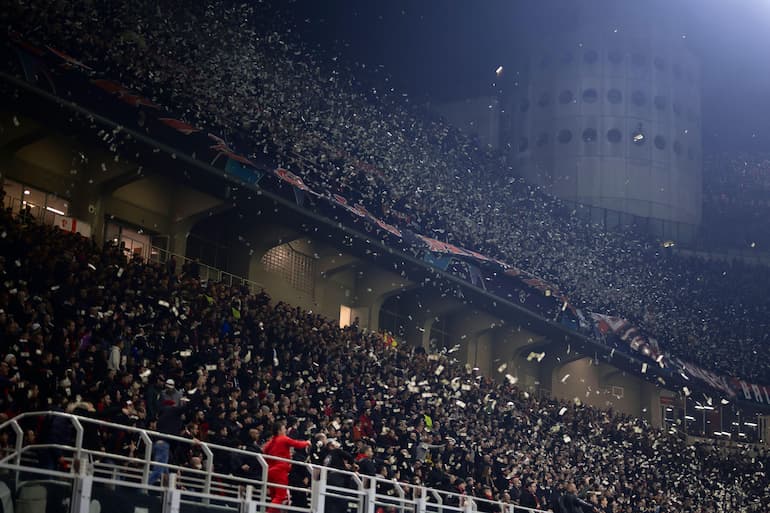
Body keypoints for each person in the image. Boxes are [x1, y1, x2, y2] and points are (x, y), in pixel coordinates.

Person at [262, 421, 311, 513]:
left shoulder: (270, 443)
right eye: (284, 429)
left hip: (270, 471)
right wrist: (307, 443)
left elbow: (264, 454)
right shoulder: (283, 439)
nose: (285, 431)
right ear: (280, 430)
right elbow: (297, 444)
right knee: (280, 496)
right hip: (280, 470)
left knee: (274, 496)